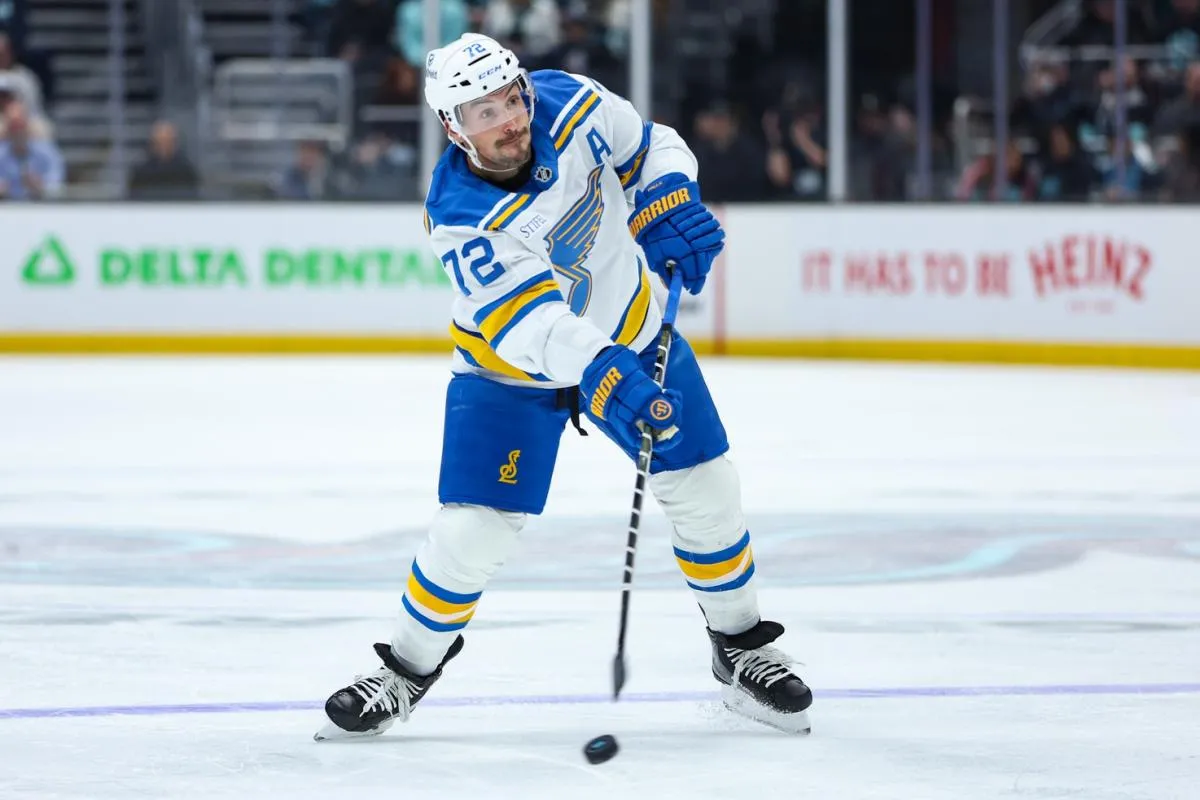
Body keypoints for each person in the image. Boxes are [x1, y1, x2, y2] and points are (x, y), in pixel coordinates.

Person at [314, 33, 813, 741]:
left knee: (706, 485)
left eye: (511, 99)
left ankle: (740, 650)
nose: (509, 119)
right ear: (453, 129)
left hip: (635, 331)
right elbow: (532, 324)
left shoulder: (571, 102)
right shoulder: (459, 213)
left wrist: (667, 197)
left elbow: (650, 145)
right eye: (483, 113)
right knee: (472, 529)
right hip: (510, 369)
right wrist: (605, 370)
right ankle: (404, 668)